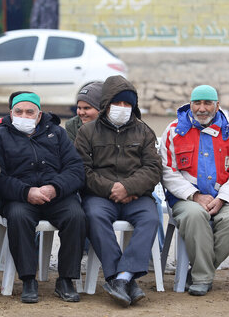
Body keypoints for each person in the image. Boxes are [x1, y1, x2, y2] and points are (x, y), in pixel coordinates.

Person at [74, 75, 162, 307]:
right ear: (105, 104)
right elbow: (82, 170)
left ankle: (120, 278)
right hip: (101, 196)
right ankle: (122, 277)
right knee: (93, 216)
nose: (122, 108)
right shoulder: (88, 132)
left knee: (151, 217)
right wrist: (111, 188)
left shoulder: (144, 132)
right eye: (117, 103)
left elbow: (153, 169)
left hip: (136, 196)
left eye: (127, 104)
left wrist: (129, 187)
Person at [0, 92, 86, 304]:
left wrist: (55, 187)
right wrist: (26, 192)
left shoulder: (57, 133)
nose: (24, 115)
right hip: (19, 197)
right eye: (19, 111)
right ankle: (27, 280)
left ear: (39, 114)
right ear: (11, 113)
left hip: (57, 195)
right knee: (19, 216)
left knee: (76, 215)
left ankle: (66, 280)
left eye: (29, 111)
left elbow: (76, 169)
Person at [160, 85, 229, 296]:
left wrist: (222, 199)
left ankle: (196, 273)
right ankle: (203, 279)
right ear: (190, 104)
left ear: (217, 105)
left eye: (207, 103)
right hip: (187, 198)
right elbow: (167, 170)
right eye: (197, 103)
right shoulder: (174, 130)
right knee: (195, 216)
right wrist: (194, 196)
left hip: (224, 198)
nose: (202, 108)